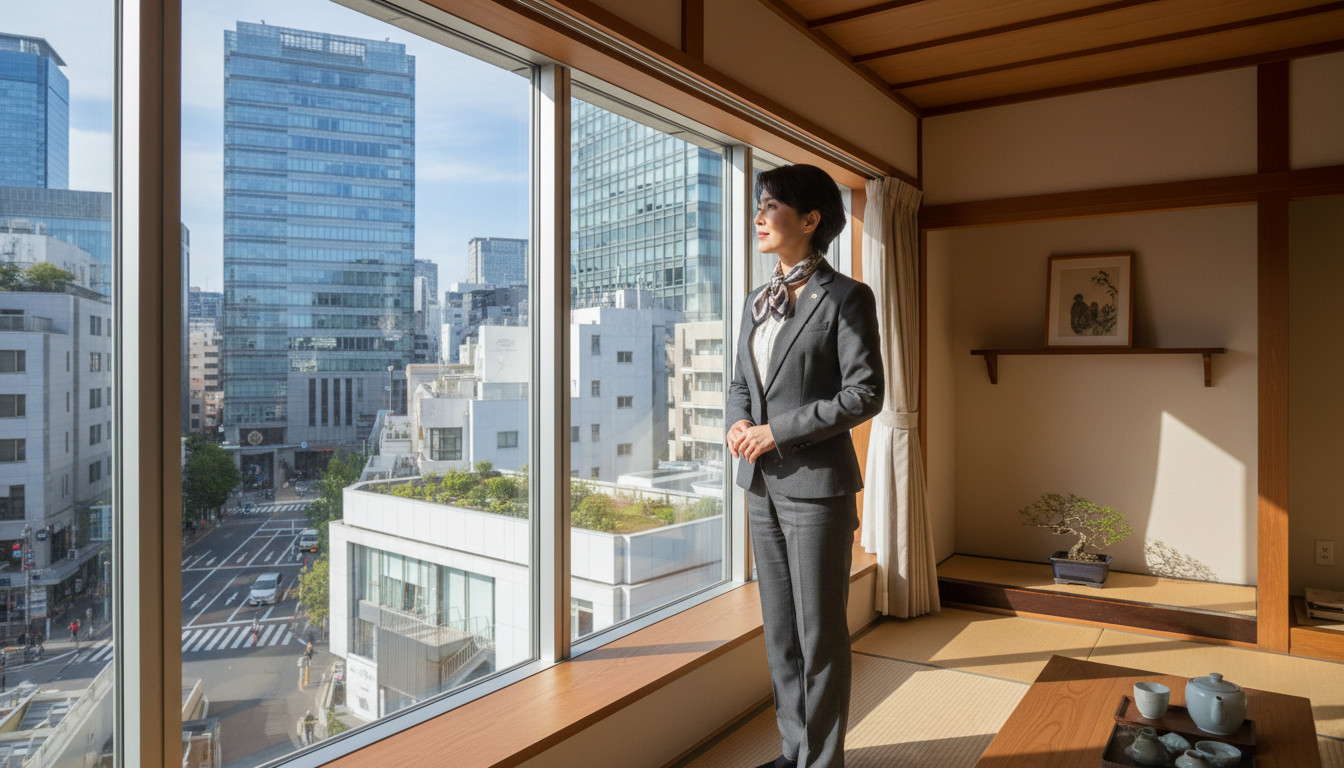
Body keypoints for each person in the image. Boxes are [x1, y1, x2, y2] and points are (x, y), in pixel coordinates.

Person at [725, 164, 883, 768]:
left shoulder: (846, 297)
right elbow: (742, 382)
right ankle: (795, 752)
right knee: (781, 634)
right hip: (760, 486)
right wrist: (739, 424)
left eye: (771, 206)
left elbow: (865, 393)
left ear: (810, 219)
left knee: (819, 637)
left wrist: (775, 432)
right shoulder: (755, 301)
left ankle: (823, 762)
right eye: (759, 205)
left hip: (818, 490)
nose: (758, 216)